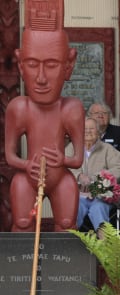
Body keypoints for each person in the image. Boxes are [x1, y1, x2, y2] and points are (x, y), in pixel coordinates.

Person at [5, 3, 85, 232]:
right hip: (27, 178)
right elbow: (10, 156)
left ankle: (65, 268)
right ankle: (21, 267)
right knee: (21, 223)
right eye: (32, 64)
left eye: (51, 65)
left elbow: (78, 159)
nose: (41, 78)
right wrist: (26, 164)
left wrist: (63, 159)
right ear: (21, 65)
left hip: (61, 178)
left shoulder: (71, 108)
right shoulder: (19, 108)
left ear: (68, 65)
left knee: (68, 225)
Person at [67, 118, 120, 232]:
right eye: (85, 129)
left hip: (101, 194)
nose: (88, 131)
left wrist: (98, 178)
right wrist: (78, 175)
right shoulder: (71, 148)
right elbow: (63, 168)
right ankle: (71, 244)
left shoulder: (108, 149)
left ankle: (103, 246)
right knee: (74, 210)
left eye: (92, 128)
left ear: (99, 132)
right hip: (77, 194)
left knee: (98, 208)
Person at [87, 101, 120, 168]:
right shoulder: (83, 133)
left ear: (110, 116)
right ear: (89, 117)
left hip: (112, 172)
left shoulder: (119, 132)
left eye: (104, 113)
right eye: (96, 113)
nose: (100, 115)